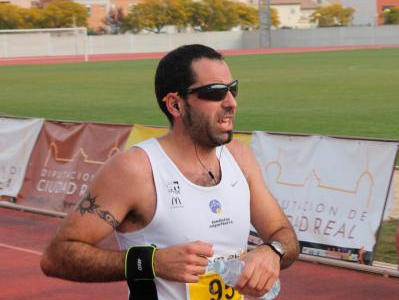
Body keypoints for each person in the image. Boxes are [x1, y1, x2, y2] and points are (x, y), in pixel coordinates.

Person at [41, 44, 299, 300]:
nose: (231, 102)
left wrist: (271, 252)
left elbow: (283, 235)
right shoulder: (136, 170)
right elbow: (57, 256)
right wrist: (151, 262)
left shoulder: (238, 156)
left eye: (233, 89)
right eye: (215, 92)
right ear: (175, 105)